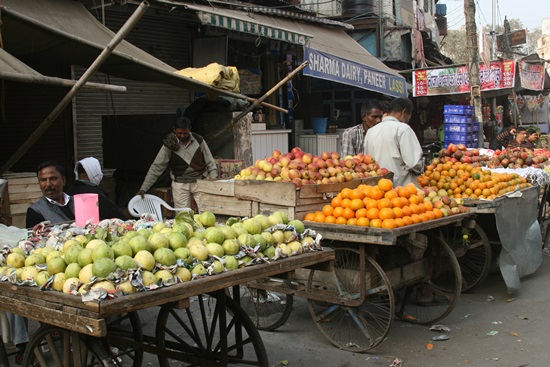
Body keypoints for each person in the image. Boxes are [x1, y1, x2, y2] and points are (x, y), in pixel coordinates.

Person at [137, 117, 218, 208]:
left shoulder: (199, 140)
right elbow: (157, 167)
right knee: (182, 216)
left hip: (201, 181)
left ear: (190, 129)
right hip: (180, 184)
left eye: (185, 133)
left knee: (207, 211)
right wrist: (144, 188)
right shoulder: (169, 144)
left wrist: (212, 181)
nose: (182, 136)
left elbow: (210, 162)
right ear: (174, 130)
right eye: (179, 133)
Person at [364, 98, 423, 187]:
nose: (408, 120)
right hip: (401, 191)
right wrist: (422, 166)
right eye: (409, 117)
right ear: (404, 112)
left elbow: (367, 161)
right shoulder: (403, 129)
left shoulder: (371, 131)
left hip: (378, 190)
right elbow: (413, 163)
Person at [26, 160, 74, 228]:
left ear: (63, 180)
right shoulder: (35, 211)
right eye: (43, 180)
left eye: (53, 179)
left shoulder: (78, 202)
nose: (48, 184)